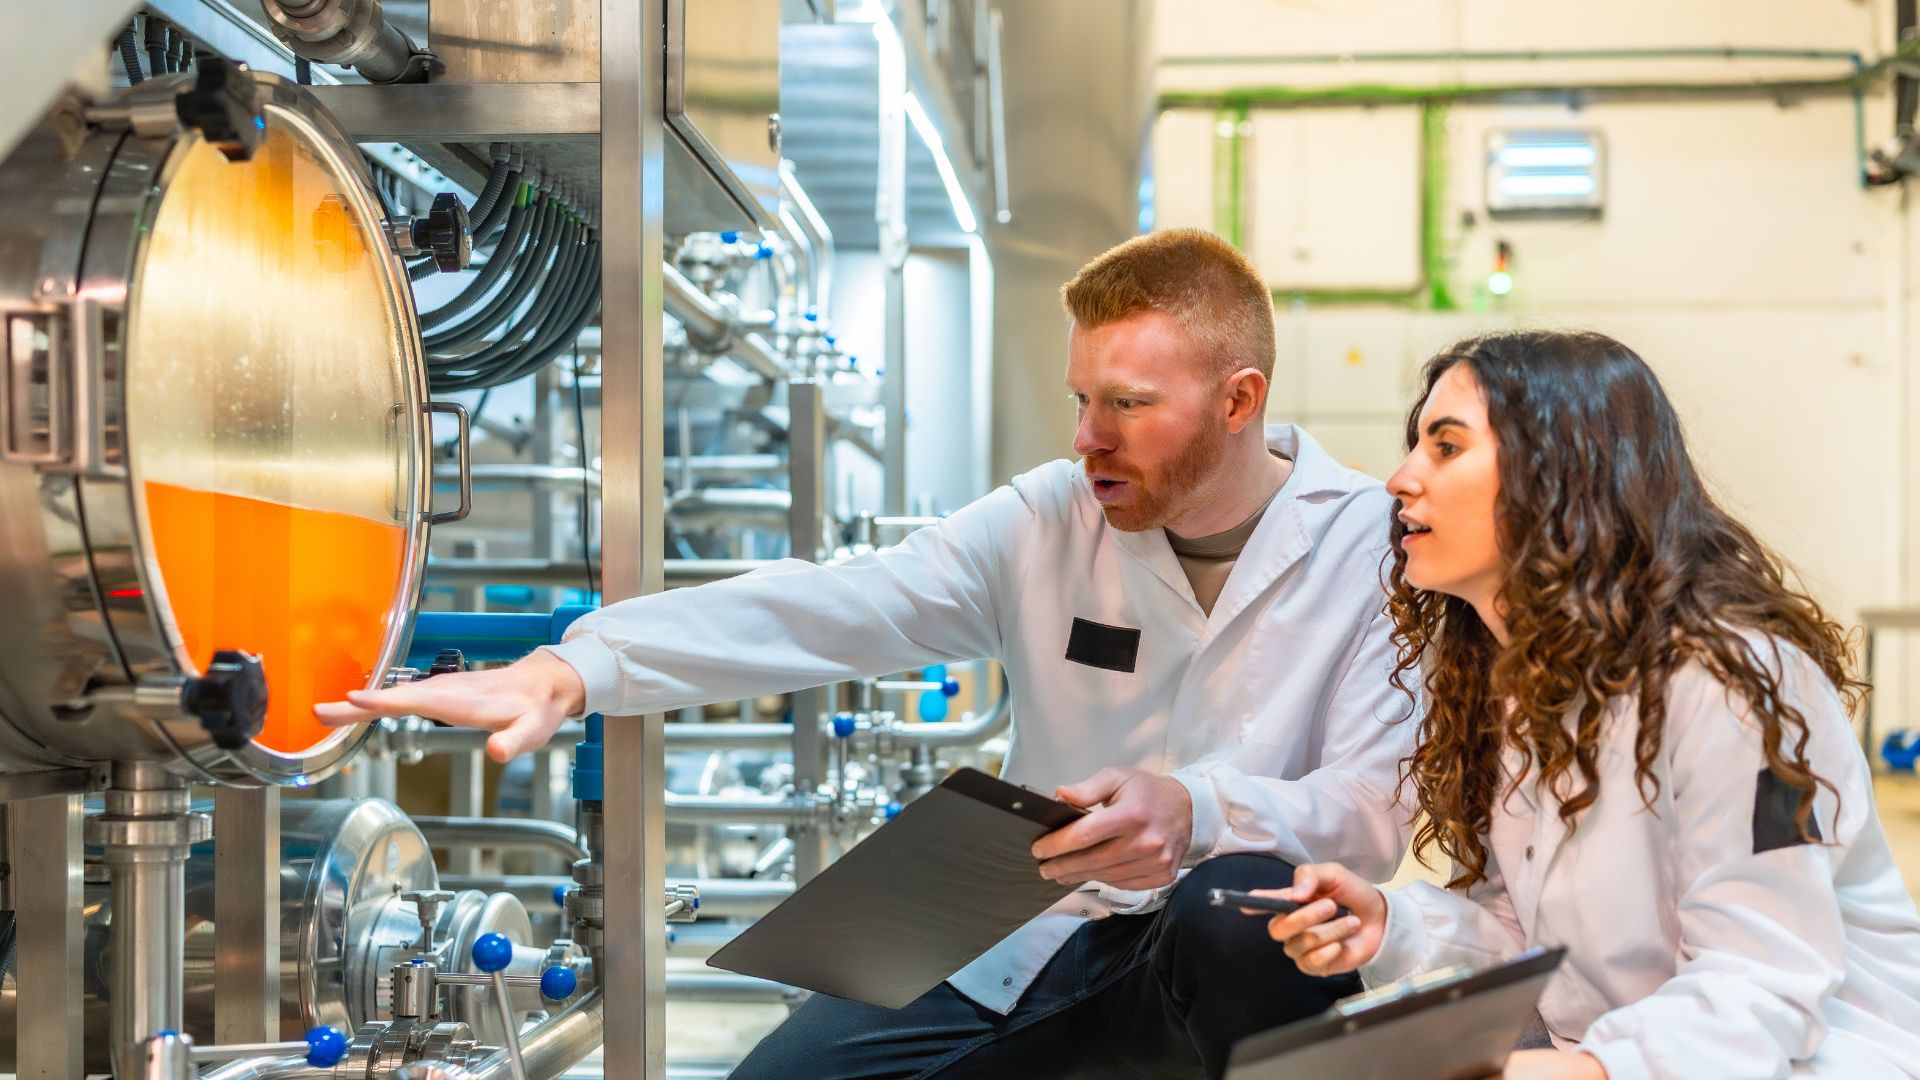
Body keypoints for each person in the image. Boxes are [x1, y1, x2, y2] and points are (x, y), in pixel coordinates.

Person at [319, 228, 1415, 1077]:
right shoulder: (1049, 518)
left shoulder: (1369, 545)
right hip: (1020, 924)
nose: (1087, 437)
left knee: (1238, 908)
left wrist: (1198, 814)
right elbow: (834, 607)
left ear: (1239, 401)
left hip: (1218, 961)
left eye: (1128, 405)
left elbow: (1372, 806)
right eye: (1082, 399)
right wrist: (579, 666)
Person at [1258, 330, 1920, 1079]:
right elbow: (1530, 930)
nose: (1399, 480)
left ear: (1560, 473)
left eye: (1445, 448)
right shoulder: (1518, 681)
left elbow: (1764, 981)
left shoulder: (1734, 680)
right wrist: (1389, 926)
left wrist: (1575, 1071)